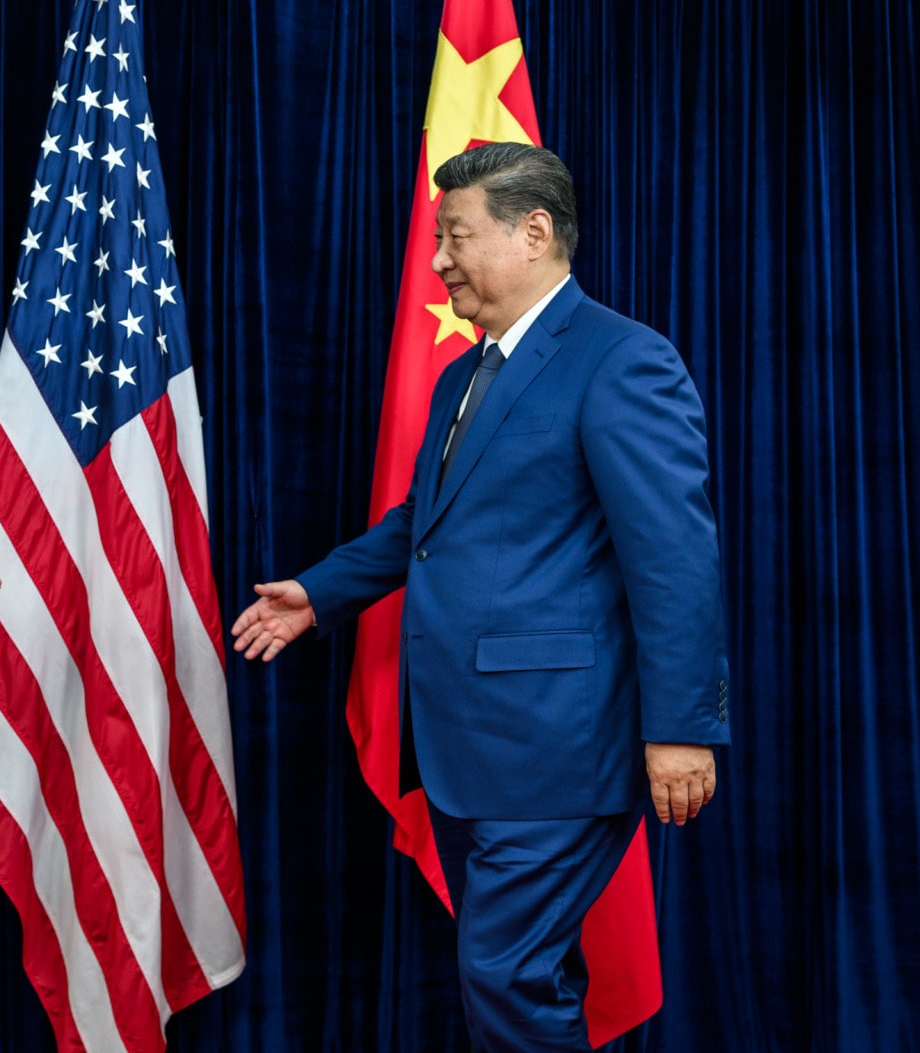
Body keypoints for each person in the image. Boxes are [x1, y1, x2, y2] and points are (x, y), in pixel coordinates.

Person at [230, 142, 728, 1050]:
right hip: (473, 746)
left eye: (455, 235)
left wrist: (683, 726)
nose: (438, 261)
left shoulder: (623, 360)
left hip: (559, 746)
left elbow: (675, 558)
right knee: (522, 970)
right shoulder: (465, 373)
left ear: (533, 232)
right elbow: (427, 521)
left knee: (504, 971)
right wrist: (316, 593)